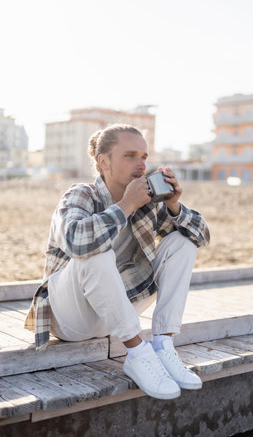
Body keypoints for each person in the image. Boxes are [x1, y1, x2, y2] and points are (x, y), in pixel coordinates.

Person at [25, 124, 210, 400]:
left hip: (117, 310)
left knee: (182, 242)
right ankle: (137, 353)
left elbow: (202, 237)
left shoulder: (149, 202)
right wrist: (126, 205)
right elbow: (77, 241)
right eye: (130, 155)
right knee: (95, 250)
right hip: (71, 318)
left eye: (145, 157)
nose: (141, 164)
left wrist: (174, 206)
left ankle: (163, 344)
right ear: (104, 162)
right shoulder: (80, 194)